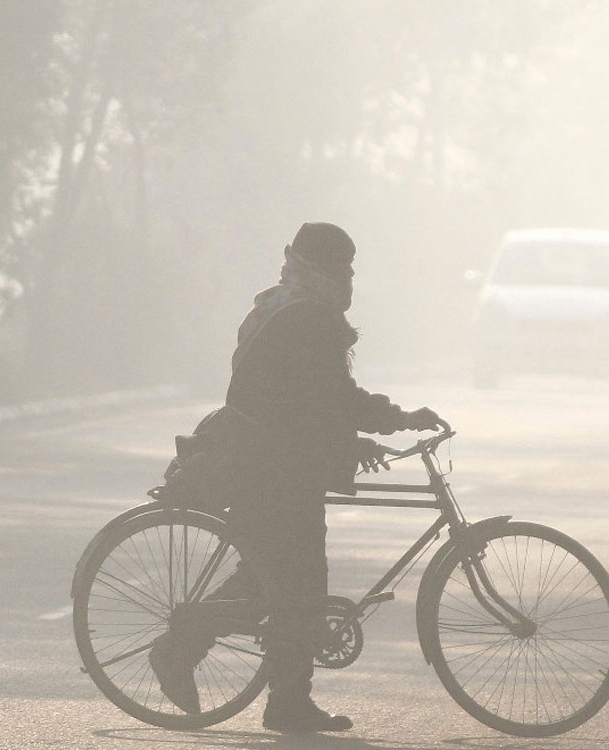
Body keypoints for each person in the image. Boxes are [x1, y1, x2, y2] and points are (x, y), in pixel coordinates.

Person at [148, 222, 442, 733]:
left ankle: (258, 684)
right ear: (325, 268)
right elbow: (331, 399)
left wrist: (354, 440)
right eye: (345, 268)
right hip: (272, 470)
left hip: (272, 463)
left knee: (274, 581)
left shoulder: (281, 304)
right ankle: (214, 664)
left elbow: (306, 400)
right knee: (292, 588)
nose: (349, 278)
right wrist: (397, 419)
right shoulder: (306, 317)